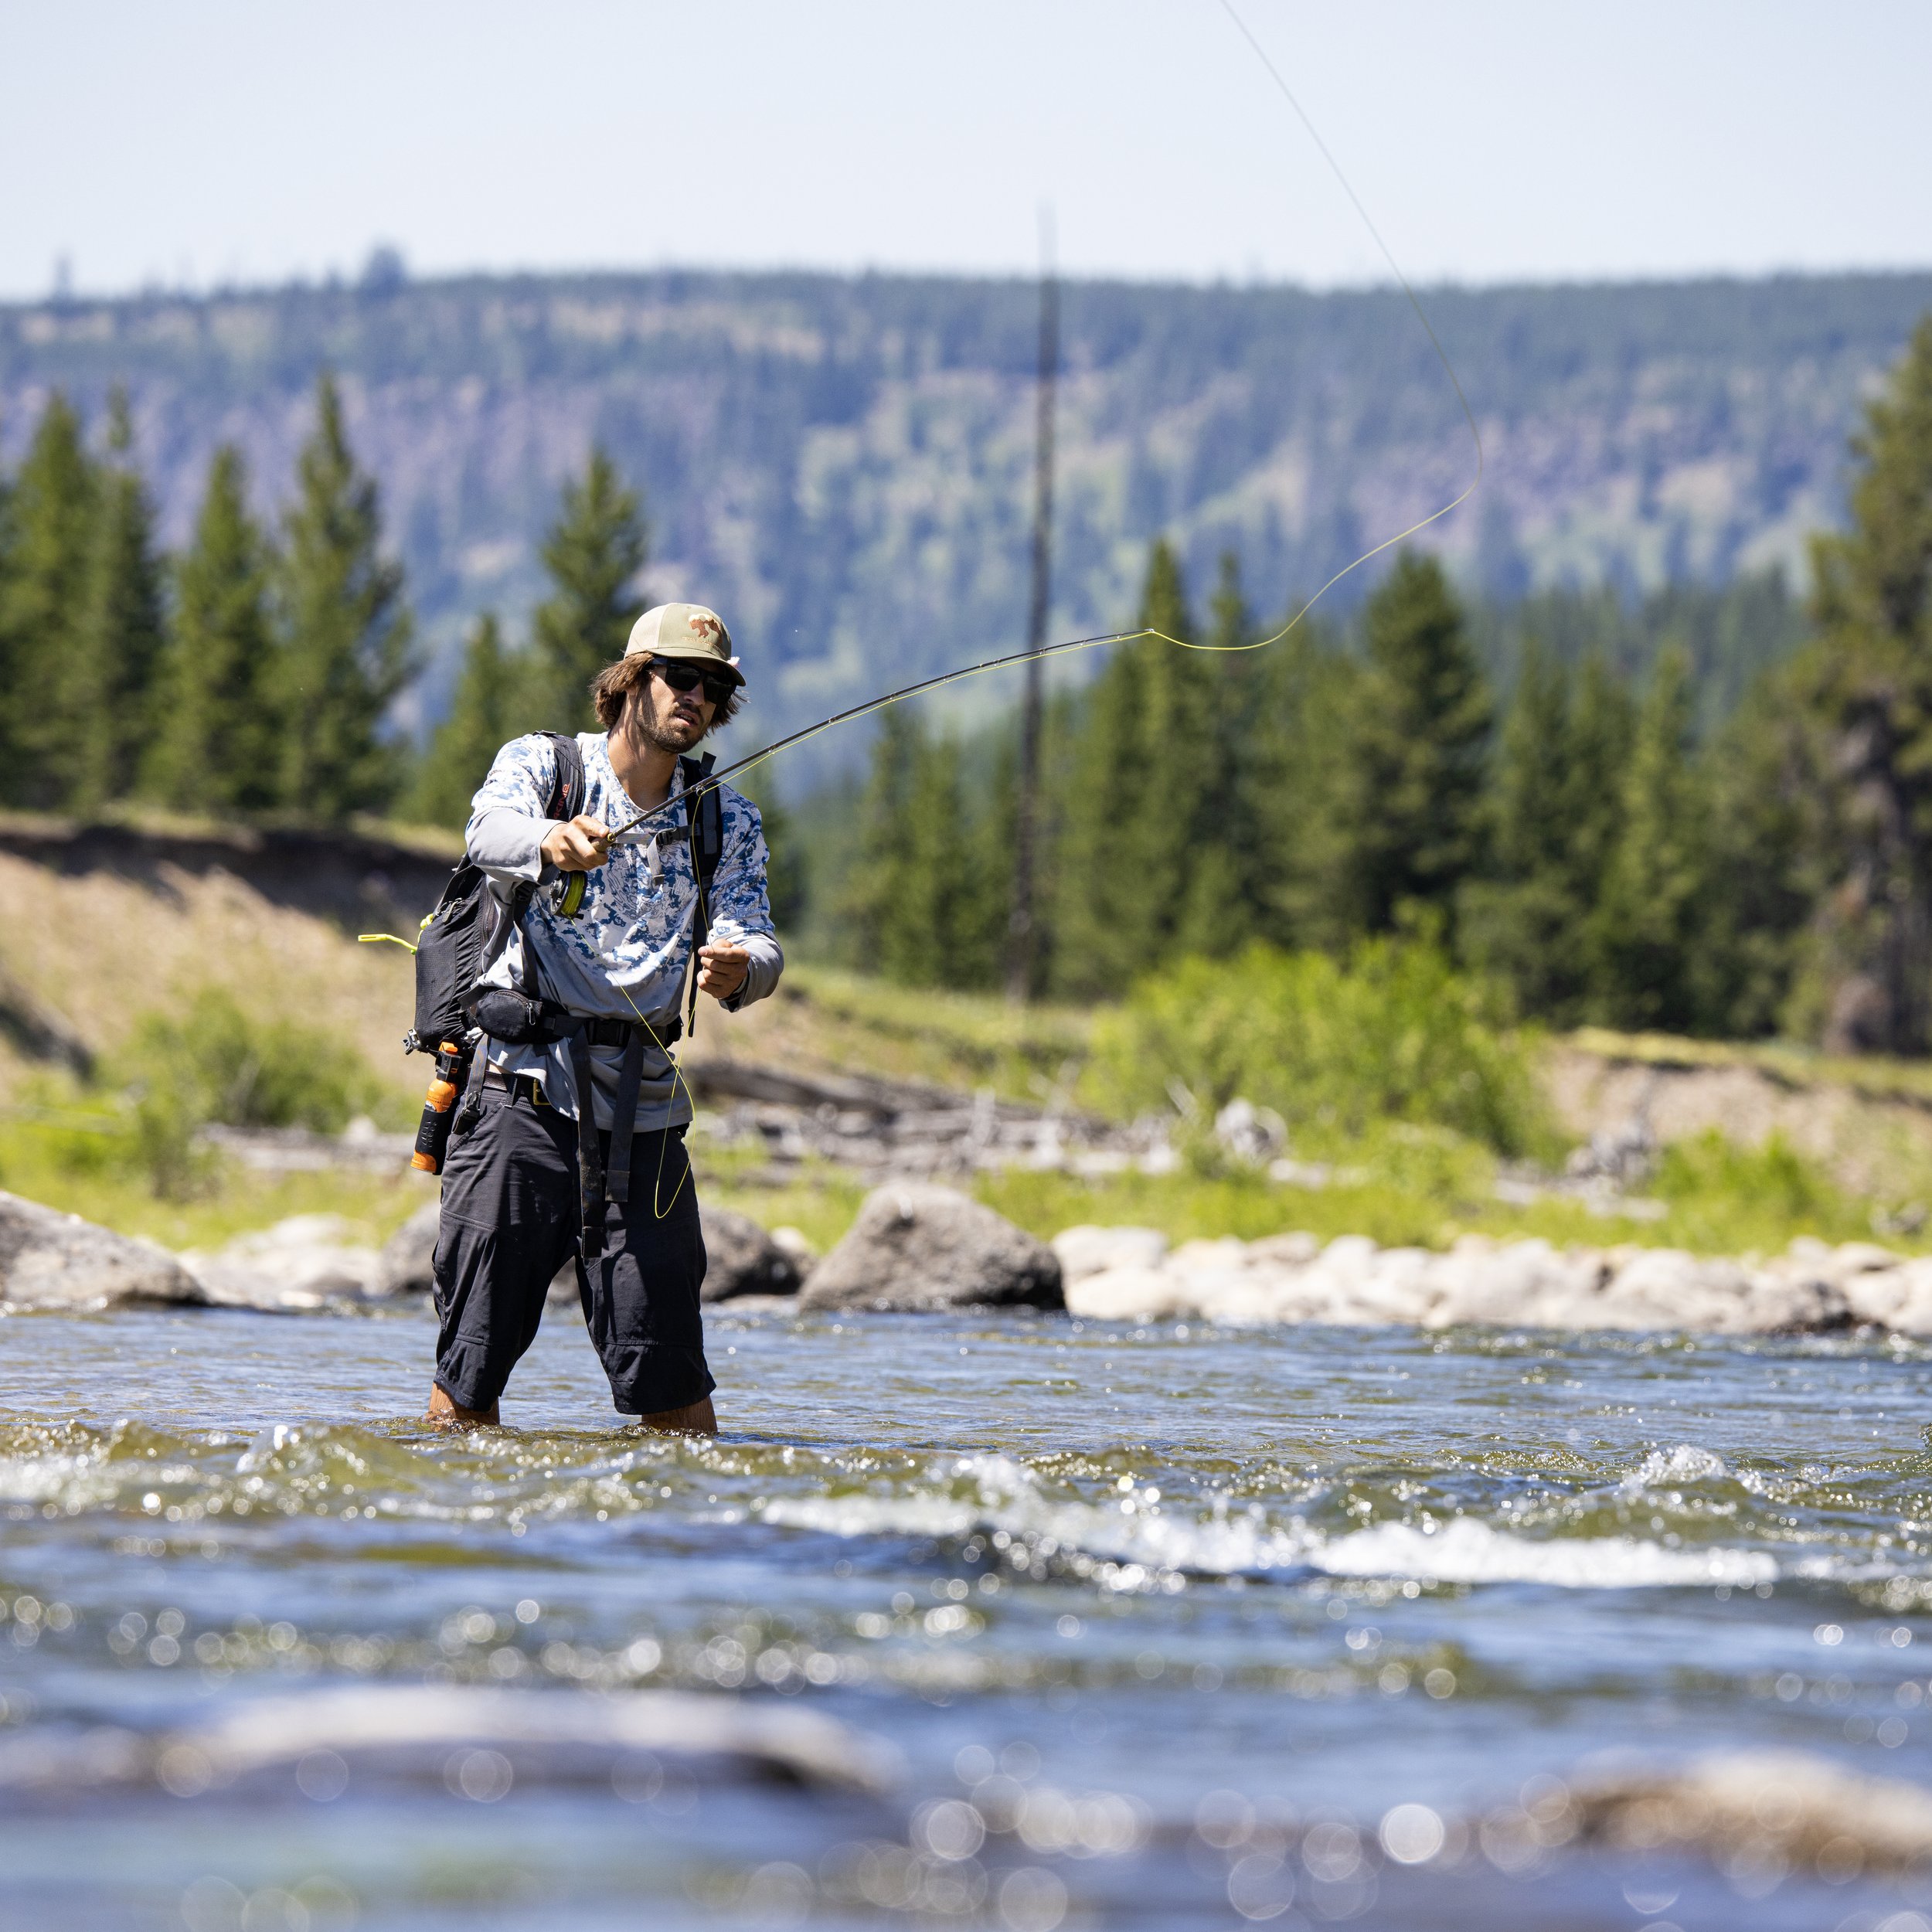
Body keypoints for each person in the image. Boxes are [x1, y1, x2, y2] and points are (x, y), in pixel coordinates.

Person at [427, 602, 782, 1433]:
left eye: (715, 687)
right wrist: (552, 841)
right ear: (631, 681)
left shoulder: (723, 819)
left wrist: (741, 971)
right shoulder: (544, 766)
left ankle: (662, 1549)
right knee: (468, 1378)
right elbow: (487, 830)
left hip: (645, 1121)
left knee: (677, 1396)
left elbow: (758, 942)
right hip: (520, 1098)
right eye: (679, 677)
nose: (697, 696)